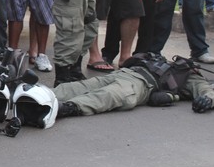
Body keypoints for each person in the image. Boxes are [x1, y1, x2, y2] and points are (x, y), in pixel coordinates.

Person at [54, 52, 214, 117]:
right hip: (128, 73)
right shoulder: (173, 64)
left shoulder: (193, 77)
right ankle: (40, 93)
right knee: (83, 86)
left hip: (143, 83)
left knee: (112, 95)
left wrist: (208, 100)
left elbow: (207, 92)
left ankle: (69, 107)